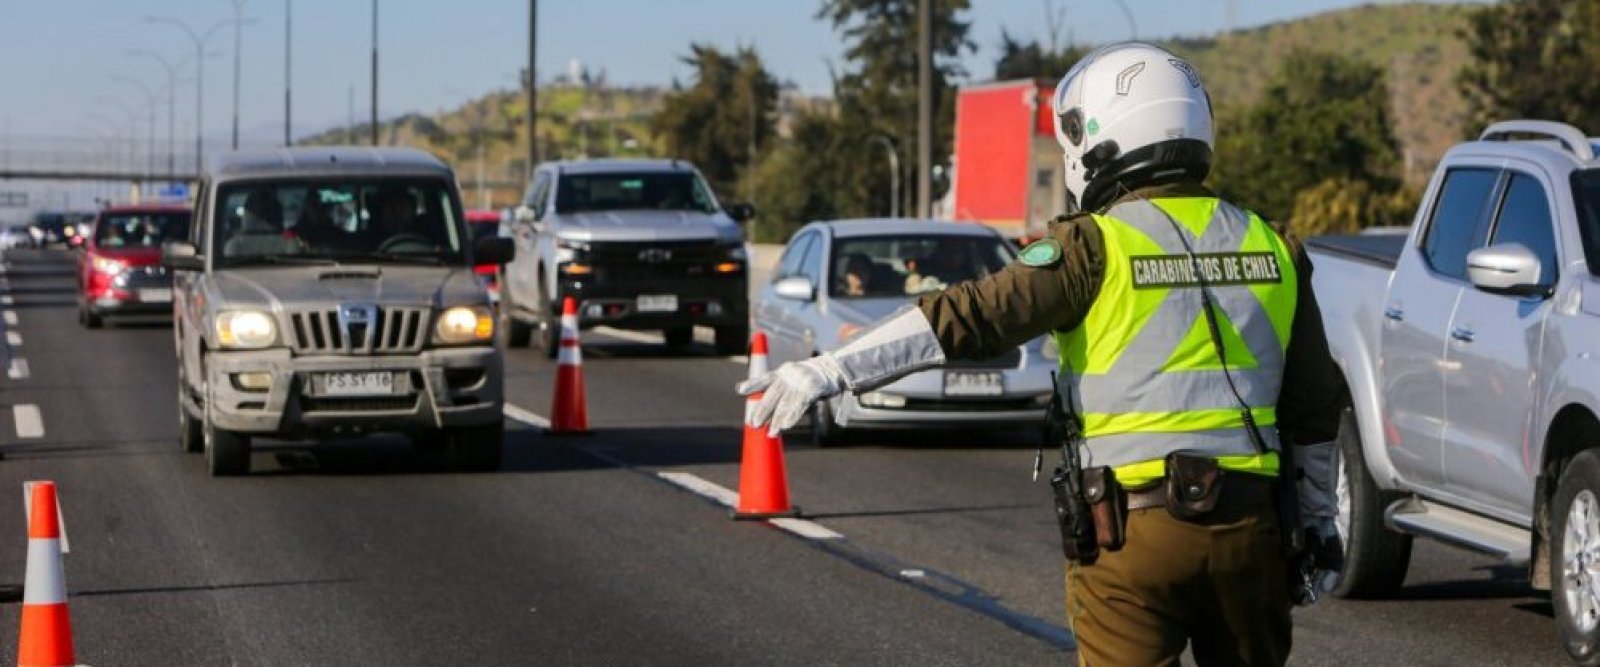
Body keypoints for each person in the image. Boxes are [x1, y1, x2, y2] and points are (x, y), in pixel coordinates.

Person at [740, 42, 1343, 666]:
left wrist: (831, 369)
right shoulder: (1276, 247)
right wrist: (1321, 526)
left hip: (1133, 536)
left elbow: (965, 316)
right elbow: (1316, 409)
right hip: (1252, 536)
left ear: (1100, 138)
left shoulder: (1092, 245)